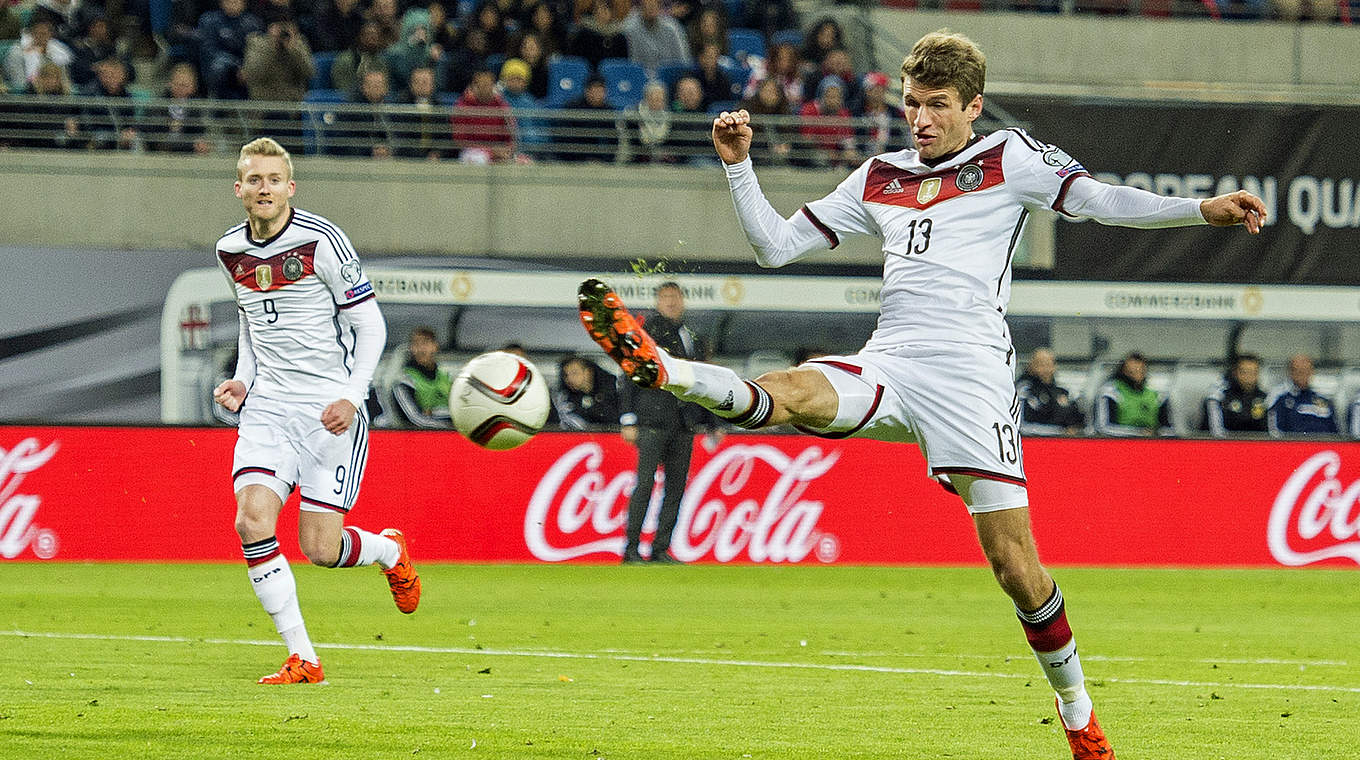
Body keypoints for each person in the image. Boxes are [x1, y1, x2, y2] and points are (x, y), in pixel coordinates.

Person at [577, 29, 1267, 759]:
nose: (922, 119)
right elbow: (774, 247)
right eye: (912, 105)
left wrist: (1200, 209)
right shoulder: (879, 175)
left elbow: (1099, 200)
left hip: (971, 374)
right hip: (892, 359)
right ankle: (665, 368)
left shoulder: (1010, 156)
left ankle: (1077, 711)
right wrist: (741, 168)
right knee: (788, 391)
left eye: (938, 105)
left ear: (973, 106)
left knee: (1016, 569)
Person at [212, 137, 421, 685]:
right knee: (250, 519)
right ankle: (304, 657)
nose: (264, 189)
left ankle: (385, 549)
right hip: (268, 409)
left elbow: (370, 325)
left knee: (320, 549)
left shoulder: (322, 240)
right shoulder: (229, 249)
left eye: (273, 180)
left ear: (290, 187)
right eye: (254, 180)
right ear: (239, 189)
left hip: (330, 407)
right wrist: (242, 378)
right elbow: (250, 322)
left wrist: (351, 397)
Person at [614, 282, 715, 564]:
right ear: (657, 302)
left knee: (675, 488)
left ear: (683, 301)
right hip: (651, 420)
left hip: (683, 423)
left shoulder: (690, 335)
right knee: (645, 484)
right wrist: (628, 418)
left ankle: (660, 548)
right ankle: (631, 548)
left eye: (675, 297)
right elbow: (629, 373)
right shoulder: (646, 332)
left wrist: (710, 419)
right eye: (665, 297)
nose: (670, 302)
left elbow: (701, 380)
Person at [1093, 352, 1172, 437]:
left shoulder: (1157, 395)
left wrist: (1157, 433)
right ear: (1124, 371)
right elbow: (1104, 428)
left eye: (1140, 370)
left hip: (1151, 444)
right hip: (1119, 444)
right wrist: (1139, 433)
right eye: (1132, 371)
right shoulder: (1110, 392)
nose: (1137, 373)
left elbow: (1169, 429)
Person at [391, 326, 453, 428]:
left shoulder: (446, 378)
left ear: (435, 346)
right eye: (416, 344)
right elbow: (415, 418)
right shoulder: (403, 381)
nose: (421, 349)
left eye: (425, 343)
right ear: (411, 348)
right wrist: (450, 428)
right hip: (419, 438)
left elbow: (459, 410)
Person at [1015, 348, 1085, 436]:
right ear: (1031, 366)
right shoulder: (1023, 390)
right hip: (1032, 442)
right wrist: (1060, 432)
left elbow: (1078, 419)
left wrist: (1074, 428)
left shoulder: (1062, 391)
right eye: (1041, 364)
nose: (1045, 369)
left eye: (1049, 364)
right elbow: (1021, 425)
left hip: (1061, 442)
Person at [1267, 353, 1338, 436]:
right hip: (1293, 446)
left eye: (1306, 370)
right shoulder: (1280, 398)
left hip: (1324, 447)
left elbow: (1336, 431)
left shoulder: (1324, 400)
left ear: (1311, 372)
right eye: (1298, 370)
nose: (1302, 374)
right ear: (1290, 372)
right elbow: (1274, 431)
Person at [1201, 353, 1267, 437]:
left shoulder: (1264, 398)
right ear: (1235, 373)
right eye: (1244, 372)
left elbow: (1271, 433)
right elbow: (1216, 433)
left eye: (1253, 372)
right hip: (1225, 445)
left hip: (1257, 446)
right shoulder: (1218, 397)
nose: (1249, 377)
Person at [620, 0, 690, 75]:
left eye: (655, 2)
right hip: (640, 79)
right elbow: (628, 66)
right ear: (640, 4)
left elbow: (683, 63)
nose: (651, 5)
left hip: (669, 79)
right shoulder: (628, 29)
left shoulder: (672, 28)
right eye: (648, 3)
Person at [553, 355, 621, 430]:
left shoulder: (614, 389)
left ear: (588, 372)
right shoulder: (565, 398)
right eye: (566, 375)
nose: (569, 379)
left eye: (574, 373)